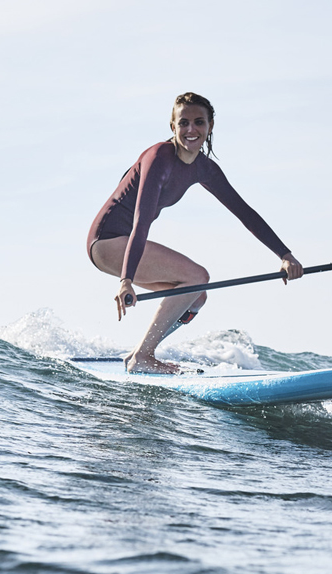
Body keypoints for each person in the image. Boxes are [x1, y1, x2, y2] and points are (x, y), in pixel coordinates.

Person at [87, 92, 303, 374]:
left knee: (195, 295)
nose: (191, 130)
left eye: (199, 122)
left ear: (210, 126)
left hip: (126, 245)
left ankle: (139, 353)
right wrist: (126, 279)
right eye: (183, 122)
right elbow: (141, 221)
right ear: (172, 126)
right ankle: (143, 356)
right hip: (108, 243)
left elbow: (244, 212)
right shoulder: (159, 158)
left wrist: (285, 255)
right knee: (198, 276)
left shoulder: (205, 169)